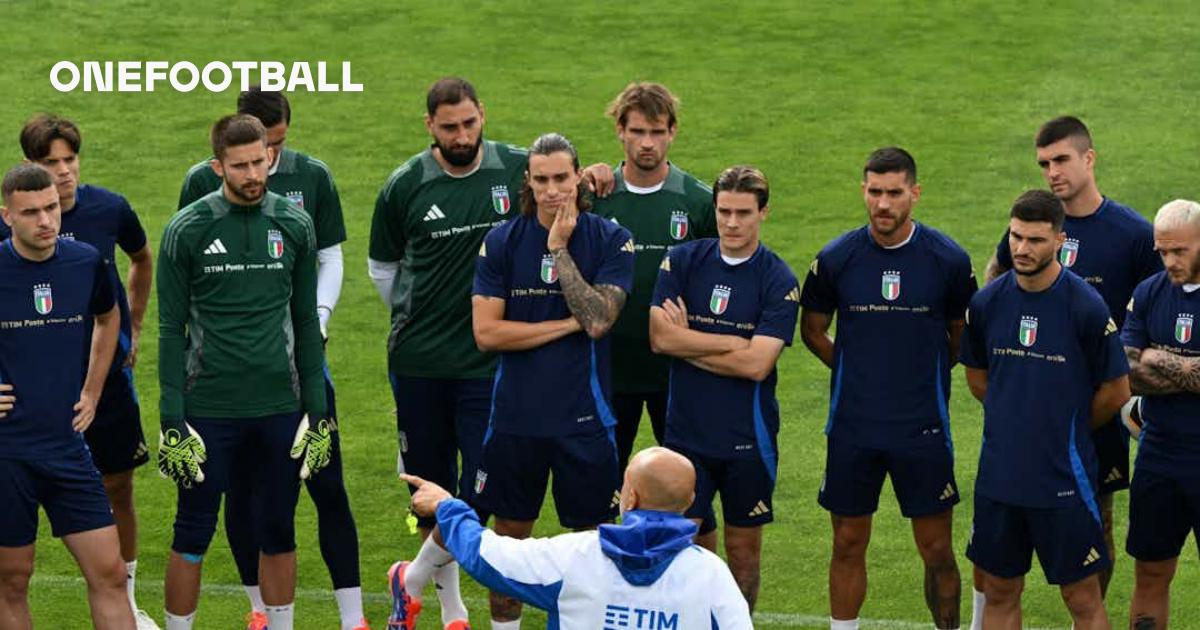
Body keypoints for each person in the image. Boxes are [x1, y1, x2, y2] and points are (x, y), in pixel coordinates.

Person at [389, 131, 634, 630]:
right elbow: (487, 333)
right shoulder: (501, 241)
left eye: (561, 178)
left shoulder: (610, 238)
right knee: (508, 546)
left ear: (578, 178)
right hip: (516, 419)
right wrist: (565, 325)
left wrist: (560, 250)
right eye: (541, 180)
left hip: (585, 420)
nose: (552, 191)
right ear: (528, 181)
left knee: (594, 544)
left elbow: (600, 319)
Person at [177, 87, 365, 630]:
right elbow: (189, 268)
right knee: (242, 493)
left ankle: (352, 617)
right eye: (261, 151)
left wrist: (319, 318)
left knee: (327, 480)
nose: (269, 163)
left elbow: (331, 256)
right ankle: (260, 609)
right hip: (232, 373)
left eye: (276, 147)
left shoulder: (313, 177)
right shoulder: (200, 183)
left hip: (301, 358)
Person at [974, 116, 1159, 622]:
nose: (1052, 171)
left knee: (1097, 522)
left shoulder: (1133, 235)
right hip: (1026, 425)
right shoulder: (1025, 231)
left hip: (1097, 409)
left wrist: (1075, 416)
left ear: (1089, 159)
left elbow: (1155, 317)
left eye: (1060, 160)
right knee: (1001, 562)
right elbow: (996, 300)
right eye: (1043, 163)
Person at [368, 77, 528, 627]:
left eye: (469, 122)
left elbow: (565, 185)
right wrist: (427, 313)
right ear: (429, 126)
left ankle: (408, 580)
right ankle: (452, 608)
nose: (461, 135)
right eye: (448, 126)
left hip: (487, 364)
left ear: (483, 114)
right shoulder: (404, 185)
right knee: (428, 493)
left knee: (479, 489)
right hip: (419, 364)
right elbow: (383, 271)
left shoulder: (517, 169)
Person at [157, 114, 328, 630]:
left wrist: (318, 414)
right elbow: (169, 329)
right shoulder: (186, 230)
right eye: (240, 166)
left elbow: (305, 321)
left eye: (260, 161)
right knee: (192, 532)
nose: (253, 173)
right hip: (208, 410)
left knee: (278, 530)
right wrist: (171, 418)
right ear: (218, 168)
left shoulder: (295, 225)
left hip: (281, 406)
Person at [798, 148, 973, 629]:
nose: (883, 204)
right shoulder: (836, 259)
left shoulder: (948, 260)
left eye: (894, 193)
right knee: (848, 541)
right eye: (874, 192)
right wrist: (856, 368)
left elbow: (962, 335)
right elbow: (813, 330)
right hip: (854, 427)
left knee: (936, 548)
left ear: (914, 193)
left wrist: (923, 370)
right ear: (863, 191)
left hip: (922, 428)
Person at [0, 115, 157, 629]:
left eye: (50, 209)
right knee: (12, 580)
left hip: (68, 447)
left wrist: (92, 388)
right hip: (8, 452)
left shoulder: (84, 261)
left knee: (109, 572)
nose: (46, 220)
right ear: (7, 216)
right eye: (31, 213)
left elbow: (107, 315)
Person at [959, 189, 1129, 630]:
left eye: (1034, 240)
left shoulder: (1085, 308)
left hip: (1063, 478)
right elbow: (977, 379)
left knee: (1082, 597)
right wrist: (1016, 416)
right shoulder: (987, 303)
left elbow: (1115, 389)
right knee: (998, 590)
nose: (1021, 248)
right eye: (1016, 237)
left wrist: (1065, 425)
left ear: (1059, 240)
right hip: (1000, 479)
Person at [648, 165, 799, 611]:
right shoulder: (683, 261)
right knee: (684, 550)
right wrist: (730, 341)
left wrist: (687, 341)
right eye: (724, 211)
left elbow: (756, 365)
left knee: (743, 555)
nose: (732, 223)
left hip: (747, 440)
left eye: (743, 213)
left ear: (763, 213)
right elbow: (659, 338)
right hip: (686, 438)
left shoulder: (778, 279)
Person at [397, 447, 753, 629]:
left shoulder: (576, 556)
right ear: (691, 503)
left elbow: (487, 555)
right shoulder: (711, 575)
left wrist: (448, 506)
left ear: (630, 499)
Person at [590, 82, 717, 472]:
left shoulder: (698, 201)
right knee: (601, 486)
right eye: (638, 132)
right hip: (609, 369)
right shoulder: (595, 197)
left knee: (685, 484)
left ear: (672, 132)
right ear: (620, 131)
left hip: (676, 372)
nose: (648, 143)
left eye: (657, 132)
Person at [1121, 199, 1200, 629]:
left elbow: (1144, 360)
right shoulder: (1149, 292)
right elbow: (1128, 372)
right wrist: (1190, 369)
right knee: (1150, 572)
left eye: (1180, 251)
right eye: (1162, 251)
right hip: (1159, 456)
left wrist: (1158, 356)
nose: (1169, 261)